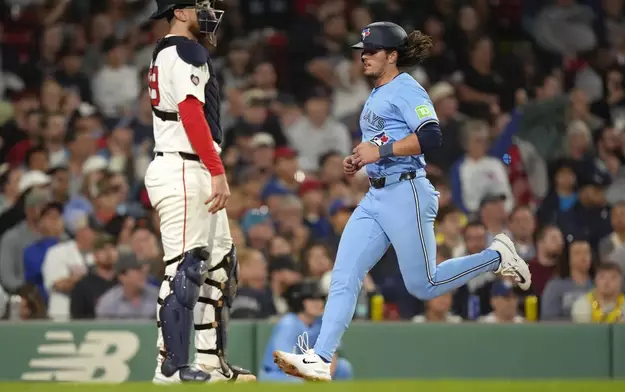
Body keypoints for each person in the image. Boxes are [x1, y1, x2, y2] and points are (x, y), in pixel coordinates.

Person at [273, 21, 532, 381]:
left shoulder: (406, 88)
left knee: (423, 285)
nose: (363, 56)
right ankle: (320, 356)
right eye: (362, 51)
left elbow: (431, 135)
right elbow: (380, 145)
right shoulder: (378, 94)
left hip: (407, 190)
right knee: (343, 275)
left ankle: (497, 256)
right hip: (377, 193)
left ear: (392, 56)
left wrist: (378, 151)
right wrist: (360, 159)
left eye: (372, 51)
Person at [145, 0, 254, 383]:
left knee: (220, 266)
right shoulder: (185, 50)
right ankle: (169, 366)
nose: (208, 12)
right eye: (200, 5)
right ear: (179, 12)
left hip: (187, 165)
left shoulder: (169, 51)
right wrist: (217, 169)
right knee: (186, 267)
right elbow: (191, 114)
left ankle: (210, 362)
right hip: (184, 166)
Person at [259, 280, 353, 382]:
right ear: (299, 301)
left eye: (320, 299)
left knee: (343, 367)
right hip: (278, 374)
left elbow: (331, 358)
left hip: (310, 372)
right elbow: (286, 364)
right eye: (312, 299)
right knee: (299, 383)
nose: (318, 303)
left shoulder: (322, 322)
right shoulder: (289, 324)